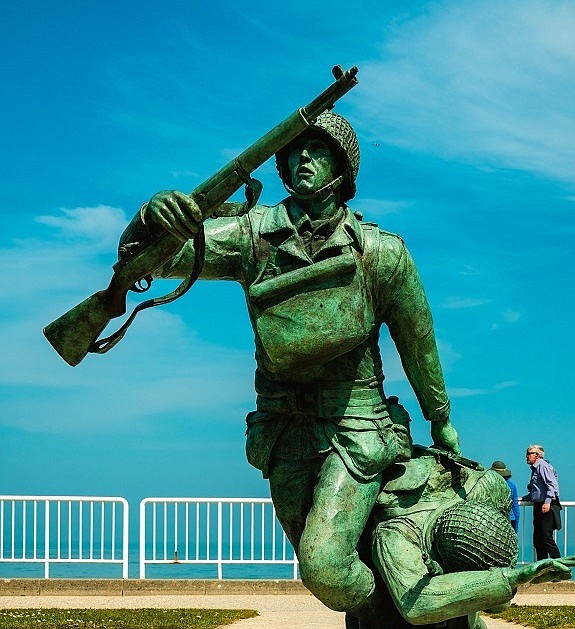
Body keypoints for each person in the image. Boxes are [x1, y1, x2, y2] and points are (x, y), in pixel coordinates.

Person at [119, 111, 460, 624]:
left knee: (325, 569)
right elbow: (152, 262)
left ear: (342, 168)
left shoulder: (382, 252)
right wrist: (150, 217)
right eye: (295, 150)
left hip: (357, 430)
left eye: (318, 149)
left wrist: (441, 418)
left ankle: (424, 612)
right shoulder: (253, 235)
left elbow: (418, 343)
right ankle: (399, 612)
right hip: (284, 435)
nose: (303, 157)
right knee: (334, 570)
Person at [345, 402, 574, 629]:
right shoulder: (396, 533)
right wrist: (512, 578)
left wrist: (516, 578)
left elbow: (497, 604)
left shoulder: (487, 488)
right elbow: (416, 605)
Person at [524, 445, 562, 560]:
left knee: (546, 538)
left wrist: (547, 502)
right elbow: (537, 491)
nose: (526, 456)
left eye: (529, 453)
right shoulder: (535, 468)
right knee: (538, 539)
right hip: (539, 505)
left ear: (537, 455)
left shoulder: (543, 466)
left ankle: (560, 568)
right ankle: (543, 569)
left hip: (547, 505)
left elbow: (552, 485)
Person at [490, 460, 520, 532]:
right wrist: (516, 525)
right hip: (510, 519)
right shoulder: (512, 486)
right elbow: (515, 506)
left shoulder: (490, 486)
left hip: (494, 519)